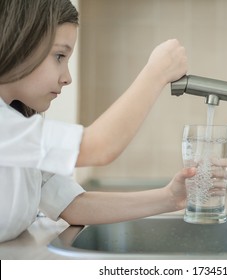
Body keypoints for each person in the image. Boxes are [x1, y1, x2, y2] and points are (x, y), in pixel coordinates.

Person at [0, 0, 195, 243]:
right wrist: (157, 72)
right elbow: (99, 147)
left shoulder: (17, 122)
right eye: (59, 56)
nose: (67, 77)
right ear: (19, 42)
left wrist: (170, 198)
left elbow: (72, 206)